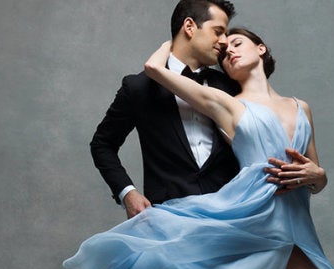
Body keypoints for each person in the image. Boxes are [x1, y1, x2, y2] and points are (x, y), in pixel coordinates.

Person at [64, 23, 334, 269]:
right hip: (260, 220)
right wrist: (176, 39)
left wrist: (319, 177)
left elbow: (314, 175)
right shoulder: (230, 104)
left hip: (298, 220)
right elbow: (154, 68)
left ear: (261, 48)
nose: (228, 51)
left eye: (237, 44)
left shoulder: (300, 106)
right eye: (223, 51)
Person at [90, 0, 314, 220]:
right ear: (189, 27)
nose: (224, 42)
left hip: (233, 216)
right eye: (218, 31)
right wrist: (127, 193)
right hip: (167, 218)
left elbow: (270, 139)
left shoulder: (231, 85)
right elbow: (102, 144)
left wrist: (314, 177)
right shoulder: (138, 87)